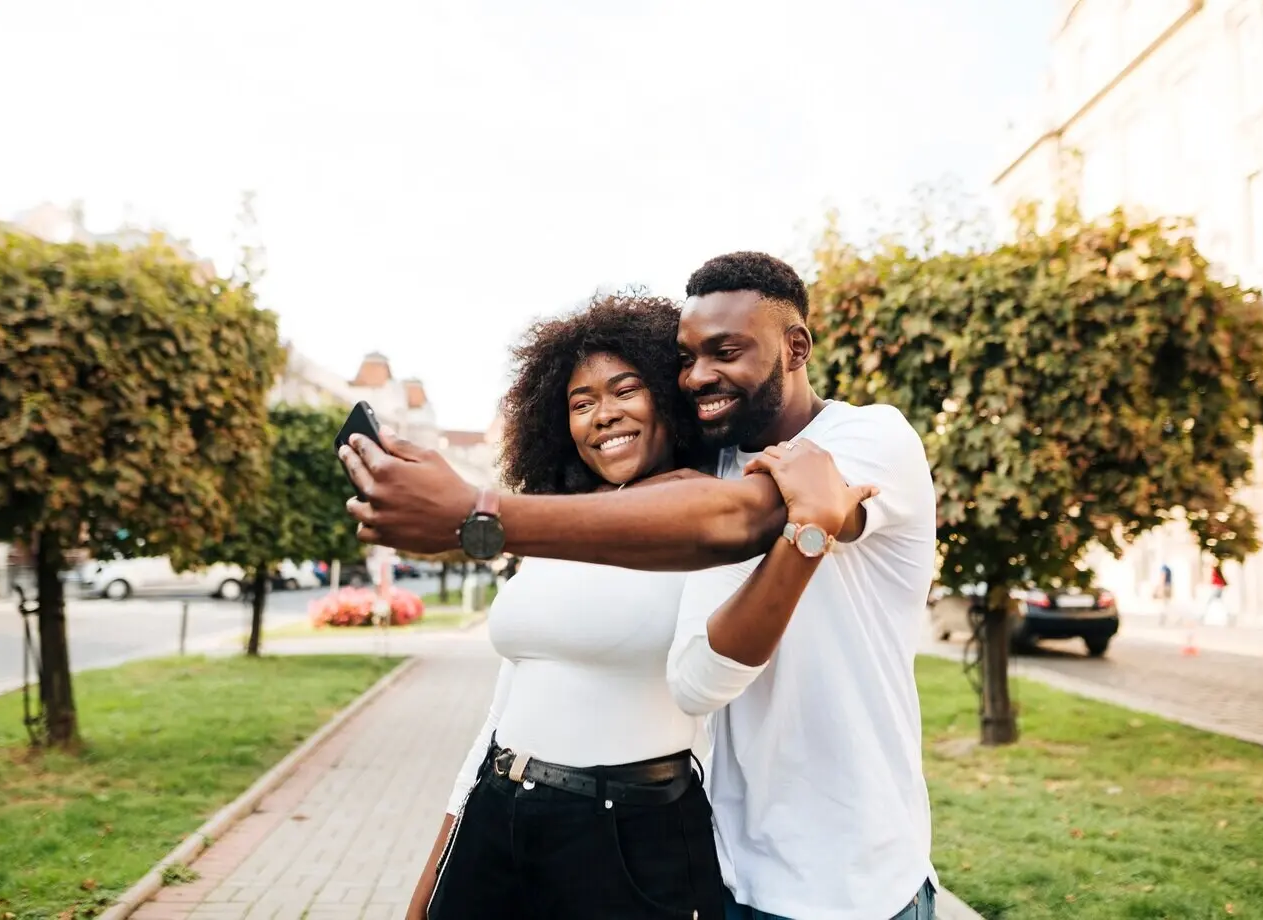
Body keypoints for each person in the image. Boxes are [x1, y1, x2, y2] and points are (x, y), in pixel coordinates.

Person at [343, 252, 937, 920]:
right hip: (731, 862)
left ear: (796, 347)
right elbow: (513, 696)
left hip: (851, 878)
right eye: (685, 359)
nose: (699, 375)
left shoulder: (866, 436)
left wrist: (478, 517)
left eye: (725, 351)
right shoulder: (709, 468)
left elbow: (737, 523)